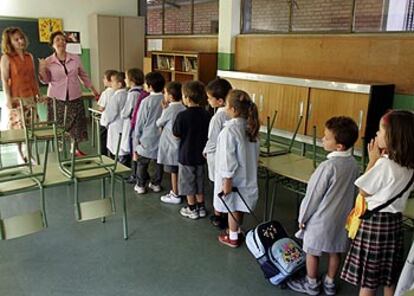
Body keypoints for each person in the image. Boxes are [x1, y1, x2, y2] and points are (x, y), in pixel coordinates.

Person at [341, 110, 414, 296]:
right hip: (394, 224)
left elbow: (363, 191)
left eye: (381, 132)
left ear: (393, 137)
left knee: (369, 281)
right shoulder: (409, 166)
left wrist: (372, 160)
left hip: (375, 225)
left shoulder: (384, 165)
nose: (377, 135)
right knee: (389, 277)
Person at [287, 116, 360, 295]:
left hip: (320, 219)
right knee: (335, 250)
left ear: (339, 146)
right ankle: (329, 282)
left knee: (312, 251)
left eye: (326, 137)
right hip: (342, 218)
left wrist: (302, 217)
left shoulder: (327, 166)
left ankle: (311, 284)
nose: (322, 139)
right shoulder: (354, 164)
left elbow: (313, 196)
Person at [38, 31, 99, 157]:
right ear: (53, 45)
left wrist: (93, 89)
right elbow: (45, 80)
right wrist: (42, 68)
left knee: (76, 123)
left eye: (63, 40)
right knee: (59, 124)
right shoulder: (48, 61)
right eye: (57, 40)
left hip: (74, 95)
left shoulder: (75, 58)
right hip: (56, 97)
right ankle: (60, 145)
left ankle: (75, 148)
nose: (61, 42)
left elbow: (83, 75)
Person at [213, 89, 260, 248]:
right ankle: (236, 231)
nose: (225, 108)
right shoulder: (250, 127)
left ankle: (232, 237)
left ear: (233, 109)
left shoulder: (230, 130)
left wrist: (227, 181)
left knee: (232, 206)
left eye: (226, 105)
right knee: (239, 205)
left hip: (233, 177)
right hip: (246, 175)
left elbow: (228, 159)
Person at [0, 27, 39, 162]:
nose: (20, 41)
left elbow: (33, 77)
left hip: (30, 97)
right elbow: (5, 80)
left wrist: (37, 94)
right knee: (19, 128)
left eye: (21, 38)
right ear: (10, 42)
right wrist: (8, 98)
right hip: (17, 98)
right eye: (16, 40)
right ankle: (19, 153)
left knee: (32, 127)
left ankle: (29, 152)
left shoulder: (29, 57)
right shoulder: (7, 58)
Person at [173, 81, 211, 219]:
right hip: (201, 154)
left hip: (186, 155)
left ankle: (192, 208)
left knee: (188, 182)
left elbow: (176, 134)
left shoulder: (182, 116)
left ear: (187, 98)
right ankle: (201, 207)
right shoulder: (207, 115)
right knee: (200, 181)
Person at [203, 78, 232, 228]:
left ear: (220, 101)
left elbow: (212, 140)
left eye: (209, 98)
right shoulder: (232, 113)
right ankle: (227, 214)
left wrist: (205, 151)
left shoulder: (217, 117)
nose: (207, 101)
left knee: (217, 187)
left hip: (216, 156)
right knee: (225, 186)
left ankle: (218, 215)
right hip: (228, 157)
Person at [133, 72, 165, 194]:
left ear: (150, 86)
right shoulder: (165, 99)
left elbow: (140, 120)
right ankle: (156, 184)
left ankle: (140, 185)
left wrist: (137, 136)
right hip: (161, 137)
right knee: (158, 162)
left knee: (142, 162)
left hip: (147, 136)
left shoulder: (146, 101)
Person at [157, 81, 186, 204]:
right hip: (181, 144)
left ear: (171, 96)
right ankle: (180, 191)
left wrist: (164, 110)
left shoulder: (170, 109)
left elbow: (159, 122)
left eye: (165, 93)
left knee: (173, 171)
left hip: (170, 144)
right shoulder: (184, 108)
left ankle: (175, 193)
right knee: (179, 170)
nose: (164, 95)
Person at [119, 68, 145, 167]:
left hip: (130, 123)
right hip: (137, 122)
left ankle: (134, 172)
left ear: (132, 80)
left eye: (126, 78)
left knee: (131, 146)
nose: (125, 80)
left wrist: (122, 113)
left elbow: (126, 112)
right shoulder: (141, 92)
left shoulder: (132, 94)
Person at [100, 72, 127, 161]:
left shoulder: (117, 97)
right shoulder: (127, 94)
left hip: (116, 126)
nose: (111, 84)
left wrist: (104, 122)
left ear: (119, 84)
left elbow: (110, 114)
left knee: (117, 150)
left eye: (112, 82)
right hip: (124, 126)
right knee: (123, 149)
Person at [97, 69, 117, 155]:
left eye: (104, 78)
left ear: (110, 81)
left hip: (105, 121)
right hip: (115, 122)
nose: (103, 80)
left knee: (103, 140)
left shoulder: (106, 93)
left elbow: (101, 108)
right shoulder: (118, 91)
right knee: (113, 141)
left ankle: (103, 156)